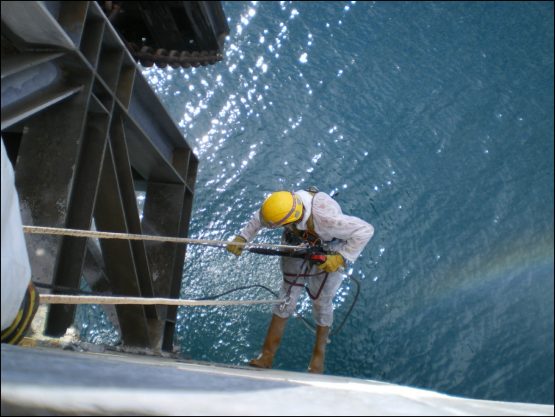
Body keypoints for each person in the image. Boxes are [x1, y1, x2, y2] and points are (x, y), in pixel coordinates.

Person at [227, 188, 374, 373]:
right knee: (286, 296)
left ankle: (318, 356)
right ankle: (266, 356)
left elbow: (365, 230)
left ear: (292, 219)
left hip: (330, 250)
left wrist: (341, 257)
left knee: (321, 301)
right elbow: (262, 216)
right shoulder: (283, 204)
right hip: (296, 241)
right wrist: (243, 237)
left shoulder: (327, 219)